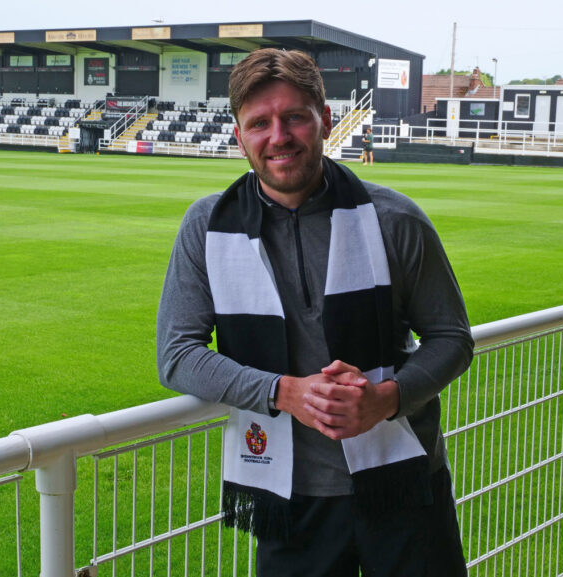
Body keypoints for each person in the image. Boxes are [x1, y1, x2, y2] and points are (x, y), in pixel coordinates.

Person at [157, 48, 473, 577]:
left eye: (294, 117)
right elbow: (177, 354)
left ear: (325, 120)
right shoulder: (207, 226)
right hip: (290, 499)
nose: (278, 136)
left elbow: (452, 337)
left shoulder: (395, 219)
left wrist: (387, 399)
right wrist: (284, 392)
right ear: (239, 136)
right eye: (259, 123)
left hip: (404, 482)